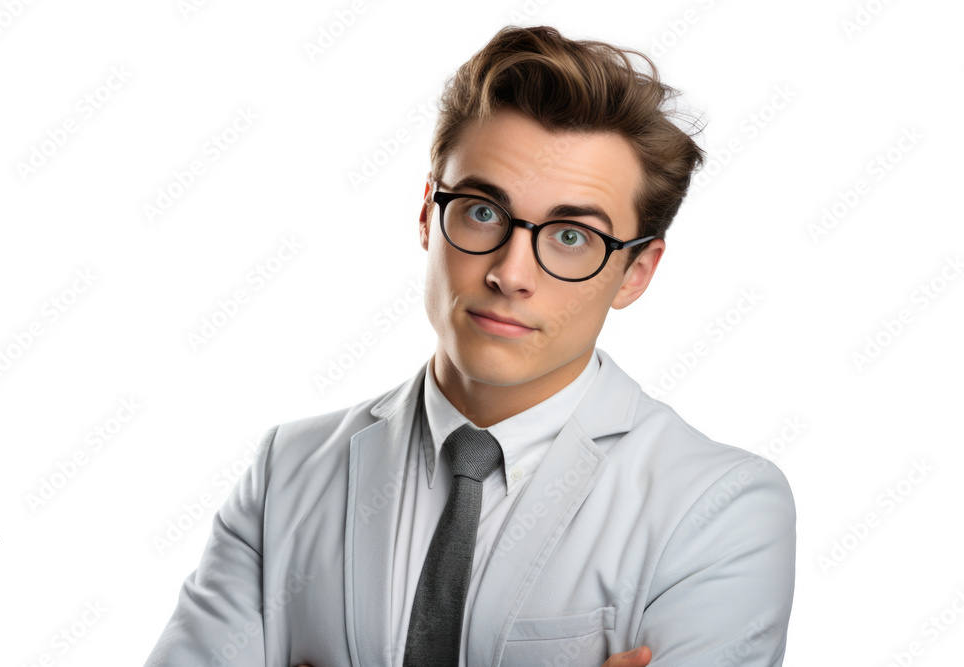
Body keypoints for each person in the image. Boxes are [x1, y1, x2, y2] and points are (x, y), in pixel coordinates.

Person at [144, 24, 796, 667]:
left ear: (636, 273)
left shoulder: (721, 508)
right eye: (483, 211)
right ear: (429, 214)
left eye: (572, 236)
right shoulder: (287, 472)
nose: (510, 274)